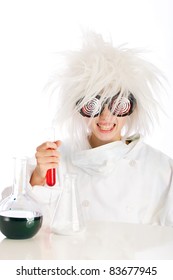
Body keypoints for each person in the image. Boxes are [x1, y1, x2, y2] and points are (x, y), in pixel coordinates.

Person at [28, 31, 173, 227]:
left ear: (132, 108)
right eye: (93, 105)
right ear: (79, 108)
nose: (105, 117)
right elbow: (28, 220)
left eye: (117, 104)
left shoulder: (160, 167)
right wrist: (38, 176)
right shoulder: (55, 159)